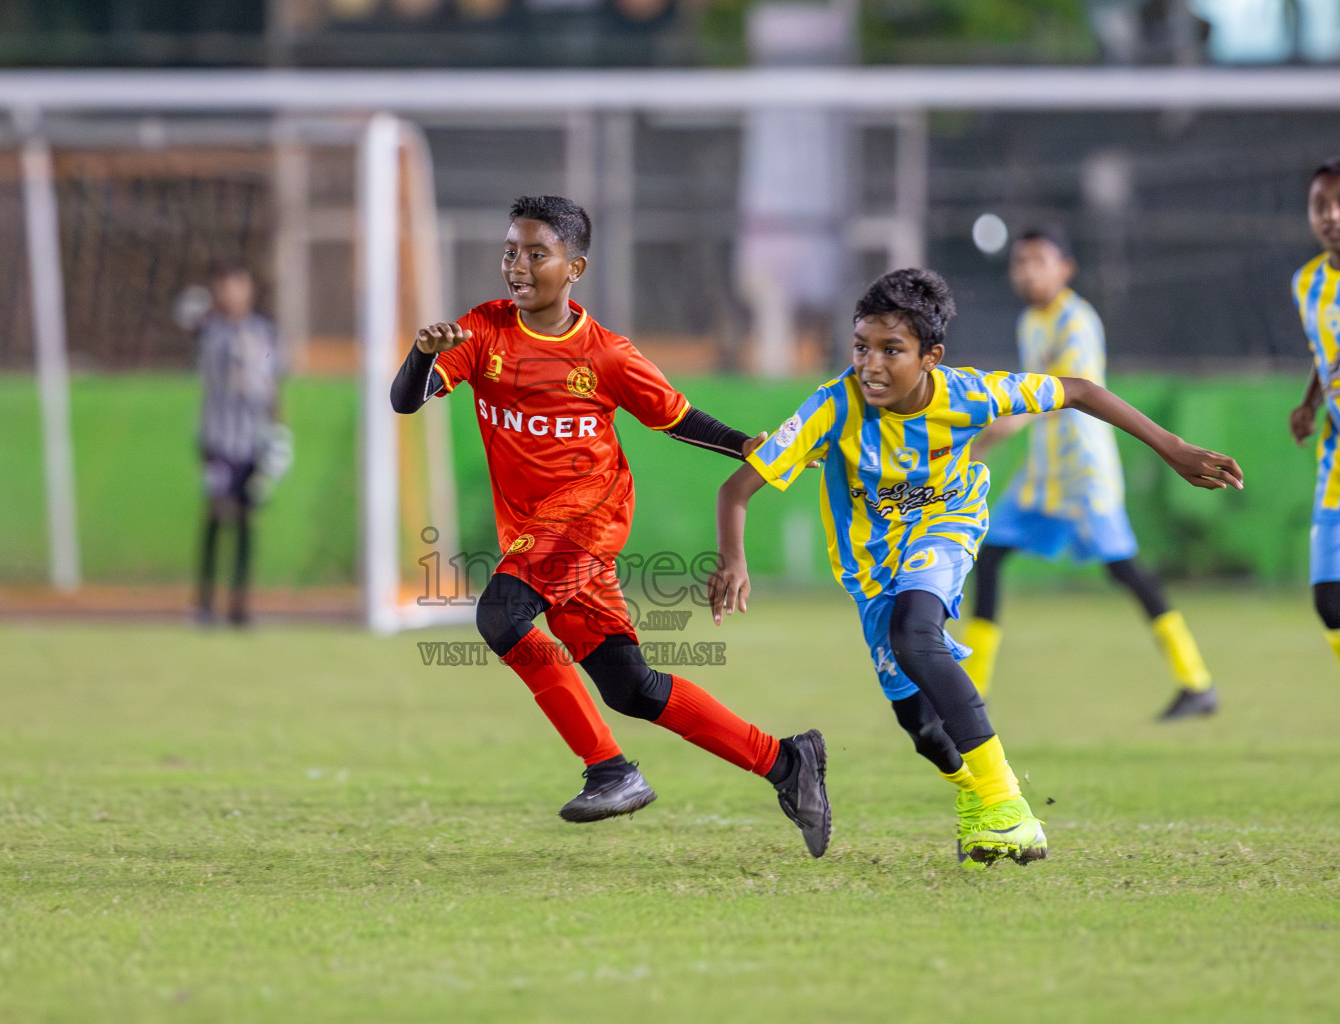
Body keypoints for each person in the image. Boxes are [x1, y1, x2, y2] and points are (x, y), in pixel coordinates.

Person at [709, 269, 1241, 868]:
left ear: (931, 357)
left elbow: (1080, 390)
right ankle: (977, 803)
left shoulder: (968, 394)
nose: (871, 365)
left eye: (892, 350)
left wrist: (1173, 447)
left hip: (947, 527)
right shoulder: (833, 406)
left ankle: (1009, 807)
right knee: (921, 727)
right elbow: (737, 488)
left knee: (916, 633)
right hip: (868, 568)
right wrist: (734, 558)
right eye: (861, 347)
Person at [390, 195, 831, 857]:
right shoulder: (482, 332)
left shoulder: (606, 355)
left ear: (575, 267)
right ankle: (785, 763)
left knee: (500, 615)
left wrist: (746, 446)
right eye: (511, 250)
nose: (517, 264)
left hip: (588, 521)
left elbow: (675, 416)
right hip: (537, 537)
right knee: (632, 687)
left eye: (536, 253)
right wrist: (423, 355)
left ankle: (612, 770)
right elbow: (405, 399)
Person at [962, 227, 1217, 720]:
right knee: (989, 557)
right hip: (1043, 473)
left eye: (1039, 259)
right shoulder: (1031, 322)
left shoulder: (1076, 321)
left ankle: (1196, 681)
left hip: (1082, 475)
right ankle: (972, 692)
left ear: (1065, 268)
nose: (1027, 270)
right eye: (1020, 261)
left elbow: (1061, 396)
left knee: (1126, 571)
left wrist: (986, 438)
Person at [195, 262, 284, 628]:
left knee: (247, 516)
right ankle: (204, 602)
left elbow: (274, 383)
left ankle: (239, 604)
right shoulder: (211, 331)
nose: (233, 293)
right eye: (226, 287)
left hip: (253, 441)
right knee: (218, 511)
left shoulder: (264, 332)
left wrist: (278, 435)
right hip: (218, 439)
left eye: (239, 286)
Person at [1288, 156, 1340, 656]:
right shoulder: (1307, 285)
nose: (1333, 215)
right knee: (1330, 601)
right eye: (1321, 204)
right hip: (1337, 458)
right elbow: (1324, 353)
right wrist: (1309, 402)